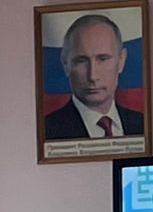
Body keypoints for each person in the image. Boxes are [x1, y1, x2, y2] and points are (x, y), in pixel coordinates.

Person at [43, 13, 144, 141]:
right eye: (81, 61)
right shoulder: (47, 130)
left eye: (103, 59)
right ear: (65, 64)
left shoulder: (142, 124)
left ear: (121, 60)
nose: (92, 76)